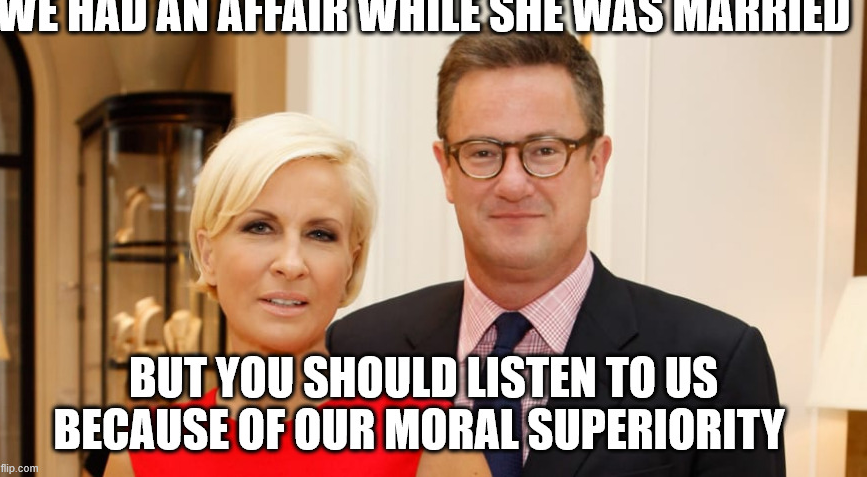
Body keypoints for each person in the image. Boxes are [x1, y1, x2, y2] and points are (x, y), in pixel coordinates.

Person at [327, 32, 786, 477]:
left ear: (596, 164)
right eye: (482, 152)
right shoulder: (359, 349)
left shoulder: (718, 363)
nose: (512, 183)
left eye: (545, 150)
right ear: (446, 169)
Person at [94, 113, 490, 477]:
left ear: (350, 264)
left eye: (320, 234)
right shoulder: (140, 455)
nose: (291, 263)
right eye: (259, 227)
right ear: (208, 255)